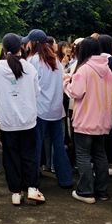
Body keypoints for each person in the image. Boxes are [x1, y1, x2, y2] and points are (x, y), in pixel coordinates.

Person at [0, 33, 45, 205]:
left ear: (4, 48)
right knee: (29, 154)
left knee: (11, 156)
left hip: (7, 121)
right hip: (28, 119)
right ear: (21, 47)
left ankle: (15, 192)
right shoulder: (29, 67)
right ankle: (32, 188)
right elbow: (37, 92)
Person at [65, 38, 112, 204]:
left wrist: (66, 83)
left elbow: (76, 93)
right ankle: (102, 190)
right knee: (100, 154)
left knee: (83, 155)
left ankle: (86, 191)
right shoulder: (107, 70)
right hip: (103, 121)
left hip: (85, 120)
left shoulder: (84, 69)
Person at [24, 29, 73, 189]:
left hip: (40, 110)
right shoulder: (55, 60)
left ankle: (33, 181)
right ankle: (65, 179)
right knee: (59, 146)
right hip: (56, 110)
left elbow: (30, 86)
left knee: (36, 145)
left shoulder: (32, 61)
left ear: (33, 43)